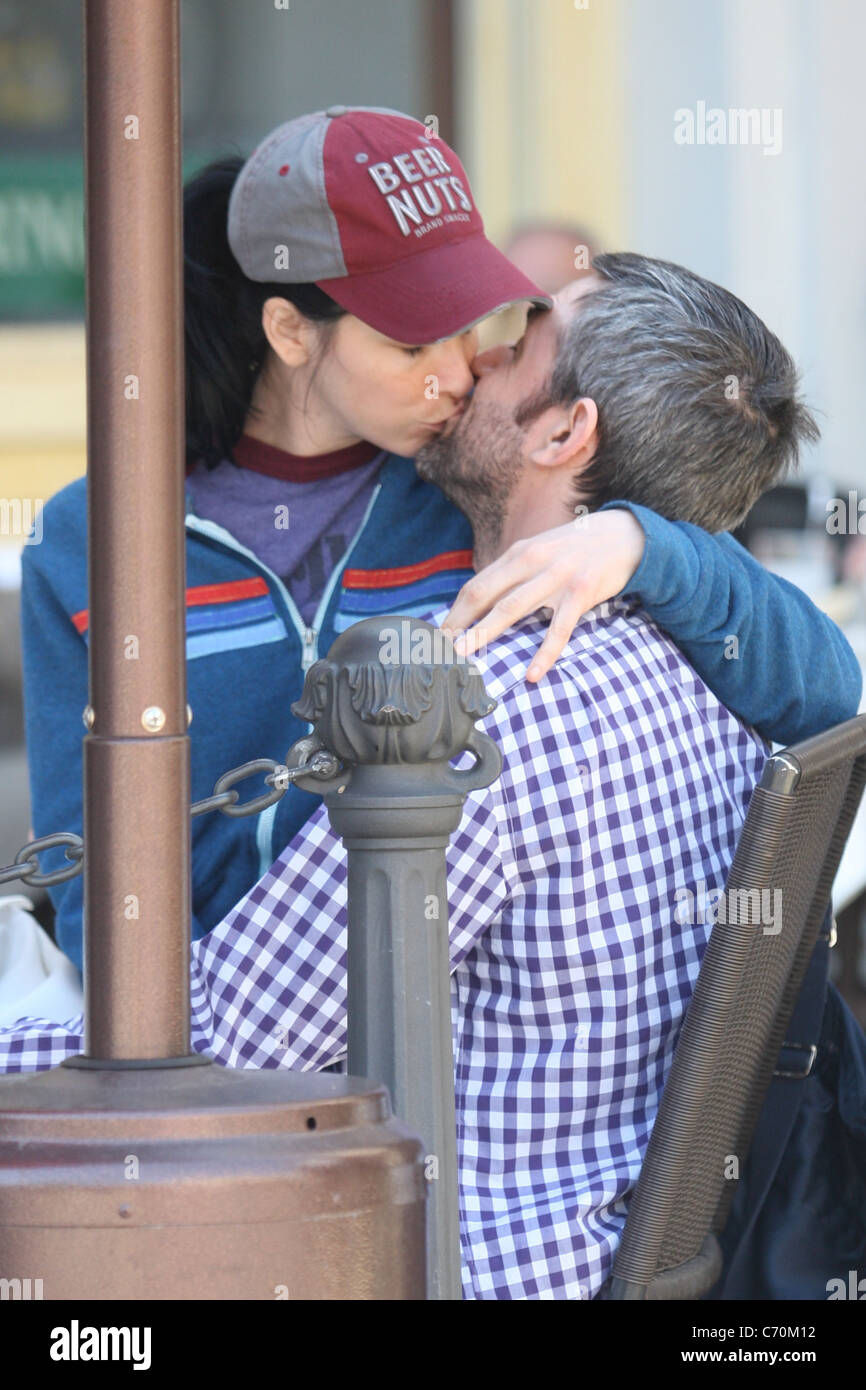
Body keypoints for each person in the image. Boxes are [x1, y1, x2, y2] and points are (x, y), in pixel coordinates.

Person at [4, 254, 861, 1300]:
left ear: (561, 433)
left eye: (520, 341)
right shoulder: (724, 674)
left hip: (441, 1267)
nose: (471, 356)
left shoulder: (470, 705)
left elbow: (212, 1050)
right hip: (608, 1253)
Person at [18, 108, 859, 979]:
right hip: (228, 1046)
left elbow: (826, 692)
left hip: (441, 1046)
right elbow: (88, 884)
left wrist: (643, 541)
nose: (458, 373)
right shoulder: (91, 546)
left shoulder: (474, 497)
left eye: (468, 323)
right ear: (291, 331)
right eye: (413, 340)